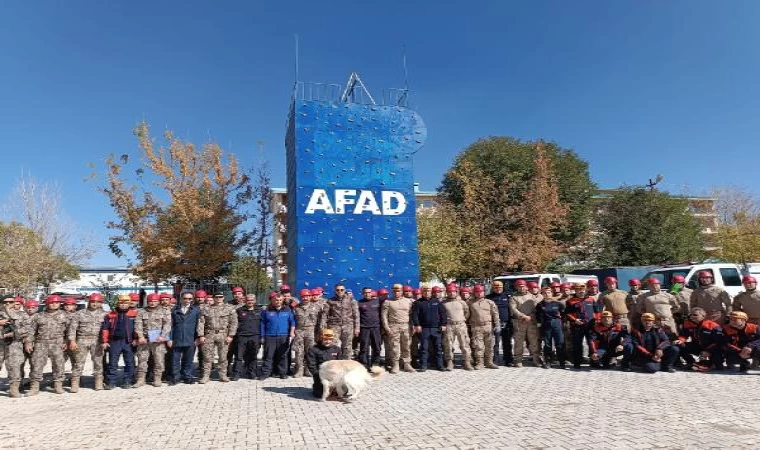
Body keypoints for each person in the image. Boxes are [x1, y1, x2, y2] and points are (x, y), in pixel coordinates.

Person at [25, 295, 70, 395]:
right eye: (52, 302)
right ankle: (34, 387)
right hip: (41, 343)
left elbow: (69, 330)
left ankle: (58, 385)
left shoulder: (65, 315)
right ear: (47, 304)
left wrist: (67, 341)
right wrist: (28, 342)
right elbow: (31, 331)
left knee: (59, 365)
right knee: (37, 365)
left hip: (57, 343)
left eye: (57, 302)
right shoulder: (38, 316)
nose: (54, 304)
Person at [68, 292, 108, 392]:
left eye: (97, 302)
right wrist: (72, 341)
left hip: (97, 341)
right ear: (88, 302)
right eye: (92, 301)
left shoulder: (105, 314)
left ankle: (98, 383)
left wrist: (105, 341)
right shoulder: (79, 313)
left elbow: (107, 329)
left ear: (101, 303)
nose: (94, 304)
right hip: (82, 340)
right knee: (78, 363)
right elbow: (73, 328)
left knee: (98, 362)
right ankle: (75, 383)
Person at [197, 293, 237, 383]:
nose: (218, 298)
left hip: (223, 334)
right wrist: (201, 335)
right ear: (213, 298)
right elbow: (201, 323)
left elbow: (234, 322)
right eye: (216, 297)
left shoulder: (229, 308)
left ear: (223, 298)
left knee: (223, 356)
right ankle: (206, 376)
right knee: (207, 357)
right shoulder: (206, 309)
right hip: (209, 334)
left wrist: (231, 335)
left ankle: (223, 375)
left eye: (220, 297)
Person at [134, 293, 171, 388]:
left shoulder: (164, 311)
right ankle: (141, 379)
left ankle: (157, 379)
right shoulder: (141, 311)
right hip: (145, 340)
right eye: (150, 301)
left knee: (159, 360)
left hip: (158, 341)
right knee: (142, 360)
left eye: (155, 301)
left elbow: (167, 325)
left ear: (158, 301)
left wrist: (163, 336)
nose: (152, 303)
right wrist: (140, 336)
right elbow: (138, 324)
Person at [259, 292, 295, 380]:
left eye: (280, 300)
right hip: (269, 336)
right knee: (268, 355)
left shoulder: (287, 310)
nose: (278, 302)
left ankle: (283, 373)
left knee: (283, 355)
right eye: (276, 300)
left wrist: (292, 332)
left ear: (282, 301)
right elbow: (262, 324)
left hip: (283, 336)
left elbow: (292, 322)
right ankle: (265, 373)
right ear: (272, 300)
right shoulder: (266, 311)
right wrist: (262, 336)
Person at [381, 284, 415, 374]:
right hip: (393, 326)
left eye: (398, 291)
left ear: (402, 291)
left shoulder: (409, 301)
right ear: (393, 291)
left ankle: (407, 364)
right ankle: (395, 364)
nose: (397, 292)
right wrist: (386, 327)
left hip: (406, 326)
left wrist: (413, 325)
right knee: (394, 346)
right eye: (395, 291)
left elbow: (412, 315)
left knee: (406, 346)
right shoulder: (387, 302)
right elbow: (384, 316)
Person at [411, 286, 447, 371]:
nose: (427, 293)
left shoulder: (437, 302)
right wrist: (417, 325)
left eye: (429, 291)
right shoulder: (418, 303)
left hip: (436, 328)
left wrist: (444, 324)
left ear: (431, 292)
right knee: (424, 348)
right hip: (424, 329)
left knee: (438, 348)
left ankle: (440, 365)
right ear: (422, 292)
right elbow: (415, 315)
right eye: (425, 291)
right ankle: (423, 365)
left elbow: (443, 313)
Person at [169, 291, 201, 384]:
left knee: (189, 359)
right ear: (181, 299)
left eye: (190, 299)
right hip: (176, 338)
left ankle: (187, 376)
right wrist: (170, 338)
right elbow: (169, 325)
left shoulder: (196, 310)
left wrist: (198, 337)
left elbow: (200, 325)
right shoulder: (174, 310)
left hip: (191, 338)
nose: (187, 300)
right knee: (175, 360)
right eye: (185, 298)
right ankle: (175, 377)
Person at [564, 283, 598, 369]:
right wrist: (575, 320)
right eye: (579, 290)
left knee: (592, 343)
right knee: (577, 345)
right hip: (577, 326)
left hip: (590, 325)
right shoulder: (570, 301)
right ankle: (577, 362)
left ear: (586, 290)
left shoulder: (591, 300)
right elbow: (567, 314)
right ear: (575, 290)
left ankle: (594, 362)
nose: (581, 292)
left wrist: (596, 321)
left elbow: (597, 312)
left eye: (583, 290)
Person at [510, 280, 542, 367]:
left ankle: (536, 360)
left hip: (532, 322)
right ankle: (518, 360)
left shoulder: (532, 296)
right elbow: (513, 309)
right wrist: (523, 316)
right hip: (520, 323)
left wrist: (531, 315)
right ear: (516, 287)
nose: (522, 288)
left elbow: (538, 307)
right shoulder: (514, 298)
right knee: (519, 342)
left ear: (527, 287)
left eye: (523, 286)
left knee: (534, 342)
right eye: (519, 286)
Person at [3, 296, 30, 398]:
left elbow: (28, 328)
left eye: (11, 301)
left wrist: (13, 334)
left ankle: (14, 390)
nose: (8, 303)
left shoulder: (22, 315)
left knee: (14, 367)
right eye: (5, 302)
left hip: (14, 344)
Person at [467, 285, 500, 370]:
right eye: (477, 292)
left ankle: (489, 362)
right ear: (474, 293)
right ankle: (480, 363)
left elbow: (495, 314)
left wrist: (497, 325)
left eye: (481, 292)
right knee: (478, 346)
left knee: (489, 345)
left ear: (484, 292)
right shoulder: (470, 303)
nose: (479, 293)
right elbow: (466, 314)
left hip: (488, 326)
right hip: (476, 327)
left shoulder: (490, 302)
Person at [324, 283, 360, 360]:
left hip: (348, 327)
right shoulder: (330, 301)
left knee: (347, 346)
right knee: (333, 345)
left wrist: (357, 328)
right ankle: (333, 364)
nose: (339, 291)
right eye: (337, 290)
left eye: (341, 290)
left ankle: (346, 363)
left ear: (345, 290)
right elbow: (325, 315)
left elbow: (356, 315)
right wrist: (324, 328)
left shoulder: (351, 300)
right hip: (334, 327)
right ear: (335, 291)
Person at [232, 294, 262, 380]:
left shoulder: (260, 310)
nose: (250, 301)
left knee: (253, 356)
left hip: (255, 336)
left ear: (255, 301)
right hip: (242, 336)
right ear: (245, 300)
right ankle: (236, 373)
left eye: (252, 300)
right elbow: (234, 323)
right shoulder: (239, 310)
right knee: (239, 356)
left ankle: (252, 373)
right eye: (248, 300)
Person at [442, 283, 471, 371]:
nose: (452, 293)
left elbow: (467, 313)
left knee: (464, 344)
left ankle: (467, 362)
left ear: (456, 292)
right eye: (449, 292)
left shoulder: (461, 302)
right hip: (449, 326)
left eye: (453, 292)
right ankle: (450, 362)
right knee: (448, 345)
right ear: (447, 293)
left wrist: (462, 320)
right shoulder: (443, 303)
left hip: (461, 325)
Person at [306, 328, 342, 399]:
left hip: (334, 376)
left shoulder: (337, 349)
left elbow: (340, 364)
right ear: (321, 338)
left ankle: (334, 389)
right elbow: (311, 366)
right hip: (321, 376)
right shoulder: (313, 350)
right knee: (319, 394)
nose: (327, 341)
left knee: (344, 391)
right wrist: (321, 375)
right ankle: (317, 387)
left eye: (330, 340)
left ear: (332, 340)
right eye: (325, 339)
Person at [292, 289, 320, 377]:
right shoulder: (296, 308)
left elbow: (320, 320)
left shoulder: (316, 307)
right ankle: (299, 370)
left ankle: (309, 370)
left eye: (307, 296)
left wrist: (319, 332)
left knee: (310, 351)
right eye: (303, 297)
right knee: (299, 351)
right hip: (299, 331)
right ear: (301, 297)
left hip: (311, 331)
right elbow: (293, 320)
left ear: (310, 297)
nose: (305, 298)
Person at [535, 290, 565, 369]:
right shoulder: (540, 305)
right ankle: (548, 361)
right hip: (546, 325)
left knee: (559, 343)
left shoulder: (558, 304)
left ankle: (561, 361)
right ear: (542, 294)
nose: (547, 294)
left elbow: (563, 313)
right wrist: (539, 324)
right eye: (545, 293)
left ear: (552, 293)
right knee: (547, 344)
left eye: (549, 292)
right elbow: (538, 316)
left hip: (557, 324)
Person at [486, 280, 513, 366]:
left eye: (500, 287)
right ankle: (495, 360)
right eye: (496, 287)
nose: (498, 289)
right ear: (493, 288)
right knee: (495, 343)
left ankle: (508, 360)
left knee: (507, 342)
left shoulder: (507, 297)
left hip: (506, 323)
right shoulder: (488, 298)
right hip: (494, 323)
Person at [357, 287, 382, 370]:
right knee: (364, 347)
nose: (367, 294)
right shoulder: (359, 303)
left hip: (376, 327)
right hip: (364, 328)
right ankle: (364, 364)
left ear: (372, 293)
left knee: (377, 346)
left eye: (369, 292)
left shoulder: (378, 301)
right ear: (362, 293)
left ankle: (375, 364)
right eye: (365, 292)